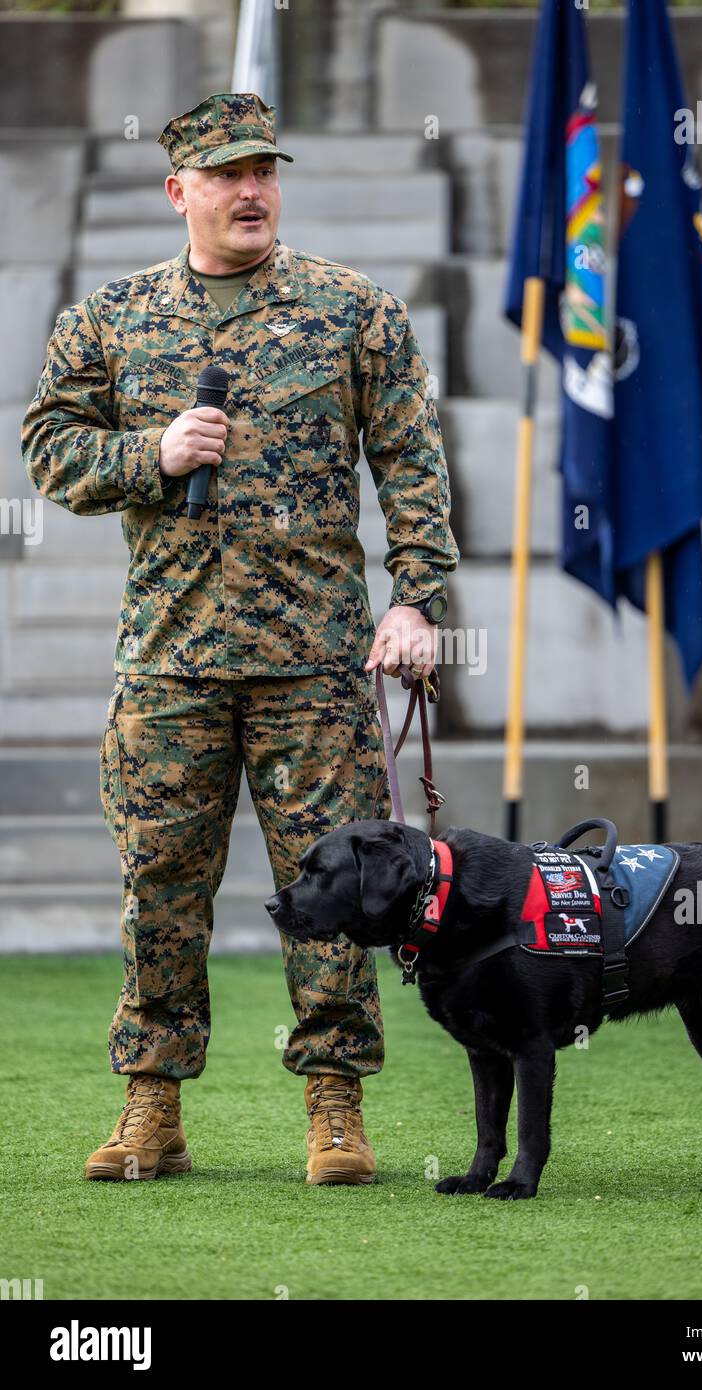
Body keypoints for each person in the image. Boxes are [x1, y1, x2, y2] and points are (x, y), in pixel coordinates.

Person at [20, 91, 458, 1186]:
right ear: (180, 192)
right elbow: (46, 447)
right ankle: (152, 1109)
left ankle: (335, 1108)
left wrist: (416, 600)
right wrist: (150, 455)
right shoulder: (109, 319)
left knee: (342, 891)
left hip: (315, 663)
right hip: (169, 662)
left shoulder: (354, 310)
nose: (250, 188)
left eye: (263, 167)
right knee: (159, 885)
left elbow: (411, 464)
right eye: (225, 173)